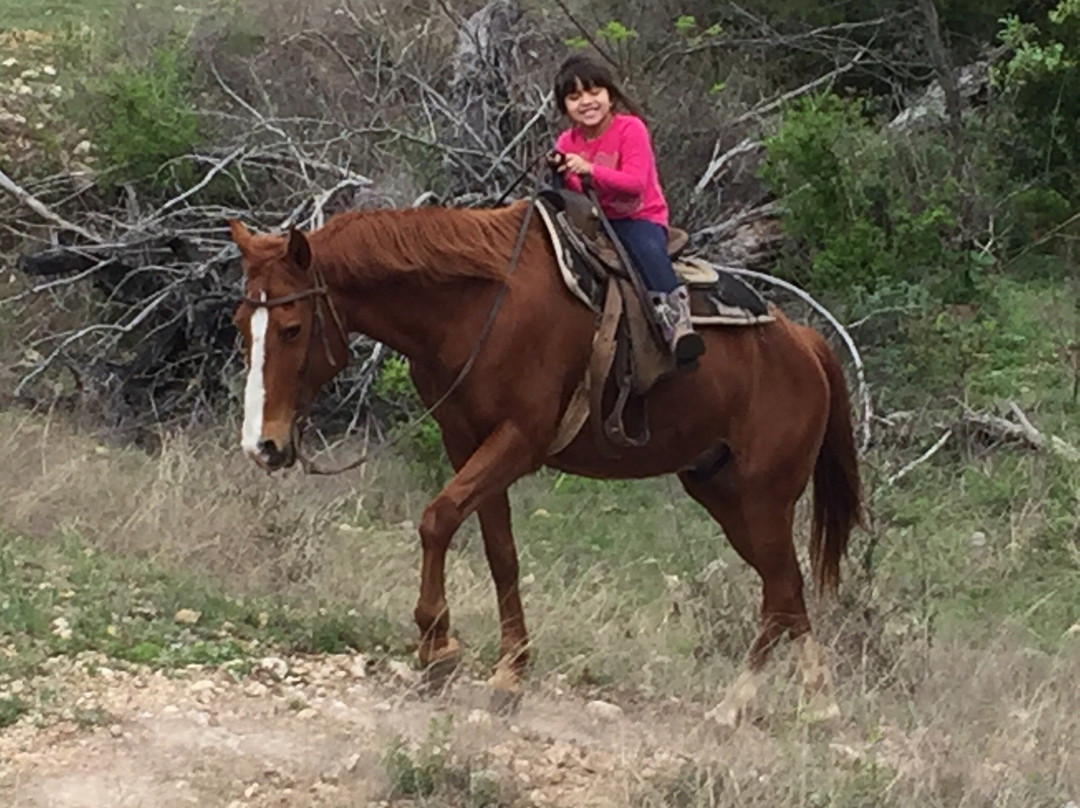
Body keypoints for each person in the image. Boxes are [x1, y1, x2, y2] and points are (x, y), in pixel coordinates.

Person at [548, 53, 704, 368]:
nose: (587, 102)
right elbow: (573, 195)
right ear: (565, 106)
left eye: (594, 92)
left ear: (610, 94)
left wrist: (589, 169)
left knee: (645, 249)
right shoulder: (567, 141)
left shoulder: (630, 129)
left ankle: (677, 324)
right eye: (575, 97)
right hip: (594, 222)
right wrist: (559, 172)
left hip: (638, 217)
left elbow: (634, 183)